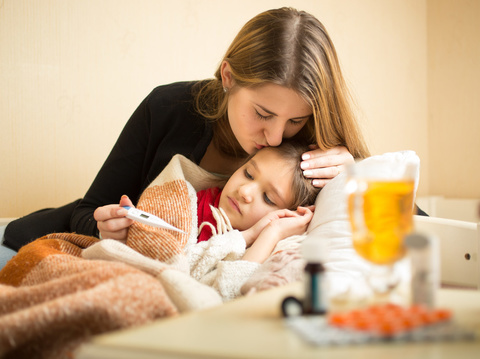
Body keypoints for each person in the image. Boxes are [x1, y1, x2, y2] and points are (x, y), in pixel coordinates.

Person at [3, 7, 370, 252]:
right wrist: (105, 227)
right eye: (262, 113)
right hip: (31, 236)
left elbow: (412, 222)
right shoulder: (168, 107)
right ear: (228, 77)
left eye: (295, 121)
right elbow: (87, 210)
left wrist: (355, 174)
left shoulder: (316, 148)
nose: (275, 138)